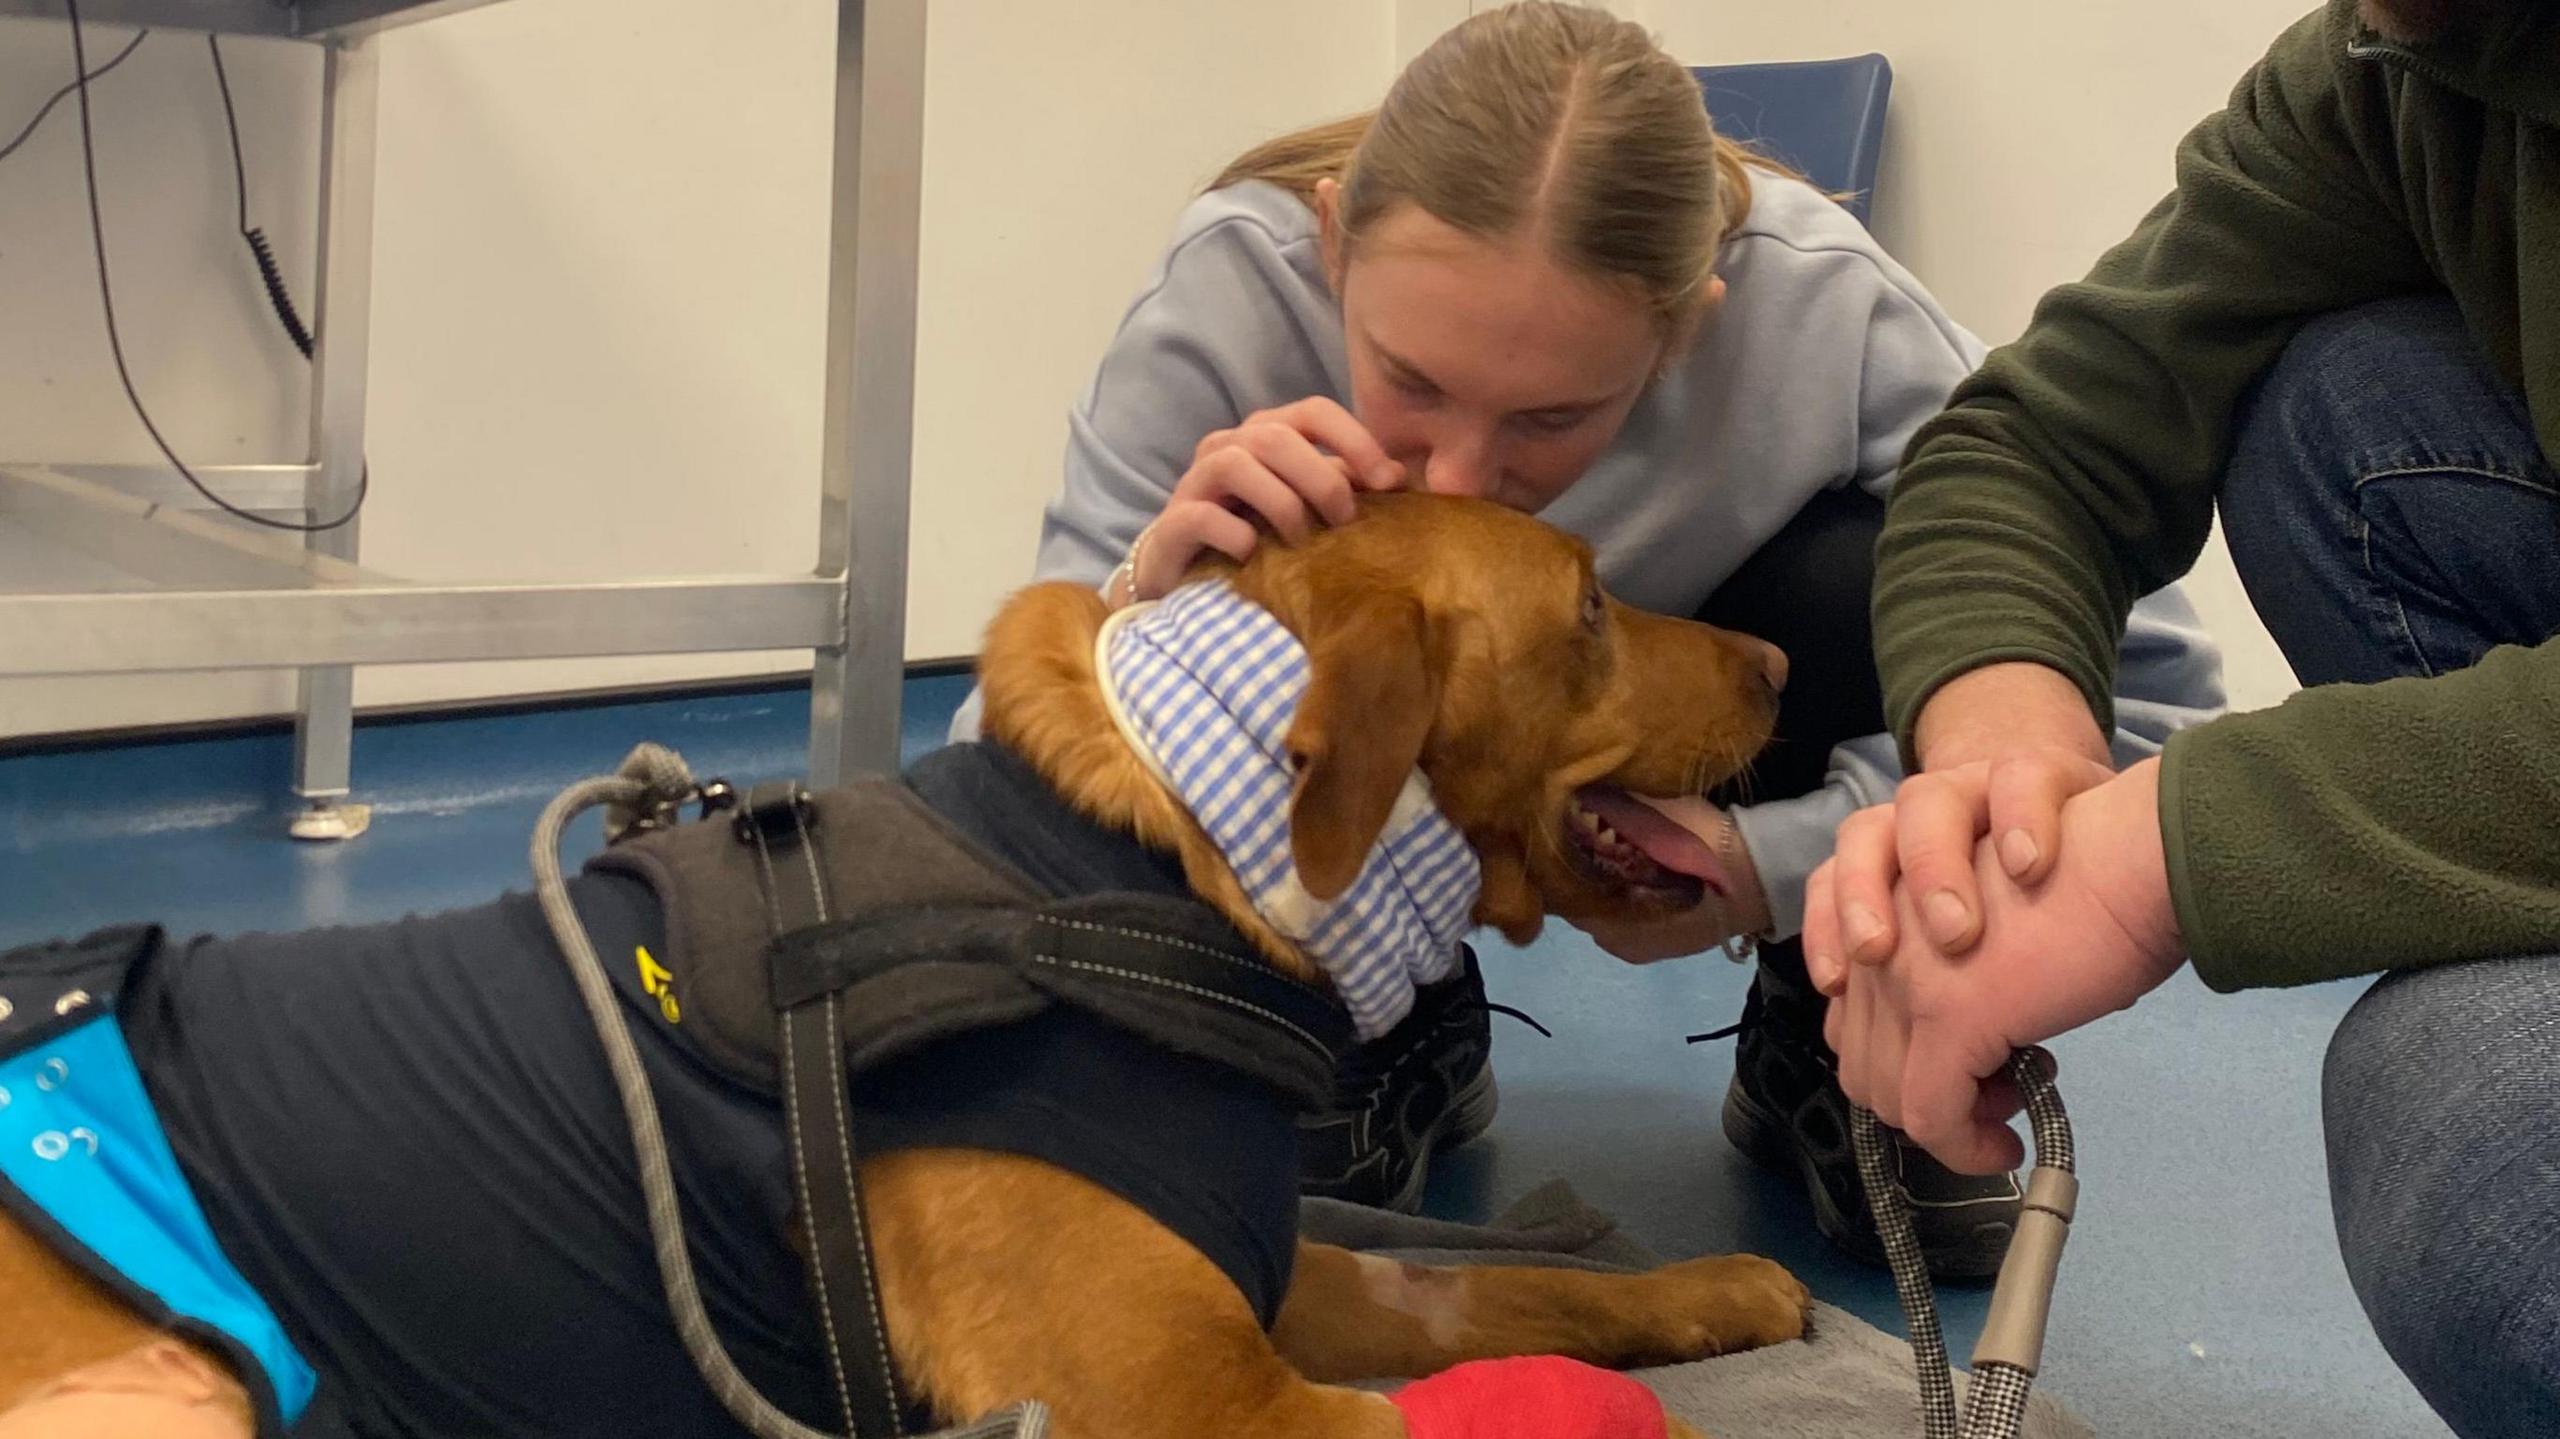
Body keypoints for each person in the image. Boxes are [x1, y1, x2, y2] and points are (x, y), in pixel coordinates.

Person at [948, 1, 2223, 1279]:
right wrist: (1148, 603)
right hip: (1334, 857)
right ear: (1333, 244)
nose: (1457, 474)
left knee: (1889, 573)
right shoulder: (1233, 283)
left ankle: (1834, 1025)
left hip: (1745, 778)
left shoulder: (1820, 307)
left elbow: (2146, 701)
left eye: (1552, 416)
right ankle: (1397, 1021)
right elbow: (989, 775)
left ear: (1688, 328)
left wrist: (1784, 865)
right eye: (1411, 381)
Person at [1804, 0, 2558, 1432]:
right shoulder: (2402, 63)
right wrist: (2005, 780)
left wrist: (2154, 852)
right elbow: (2039, 441)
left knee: (2465, 1136)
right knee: (2342, 405)